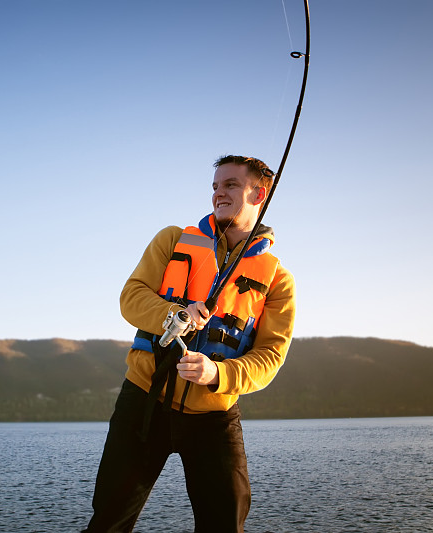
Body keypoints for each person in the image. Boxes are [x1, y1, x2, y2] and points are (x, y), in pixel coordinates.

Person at [84, 155, 296, 533]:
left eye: (230, 184)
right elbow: (131, 298)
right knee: (109, 522)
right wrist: (175, 315)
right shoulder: (171, 239)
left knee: (225, 525)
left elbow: (270, 357)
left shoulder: (279, 280)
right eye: (215, 186)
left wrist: (218, 372)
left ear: (258, 193)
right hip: (143, 402)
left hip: (214, 416)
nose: (218, 194)